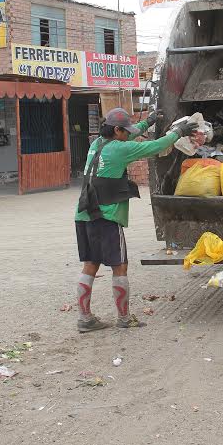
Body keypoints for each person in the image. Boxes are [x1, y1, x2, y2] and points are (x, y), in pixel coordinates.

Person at [74, 108, 197, 332]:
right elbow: (154, 147)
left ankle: (84, 318)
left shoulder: (97, 144)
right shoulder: (120, 150)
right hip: (106, 216)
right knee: (120, 265)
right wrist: (178, 132)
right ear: (117, 130)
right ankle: (124, 318)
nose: (128, 134)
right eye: (125, 130)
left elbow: (130, 136)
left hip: (84, 213)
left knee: (90, 264)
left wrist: (147, 122)